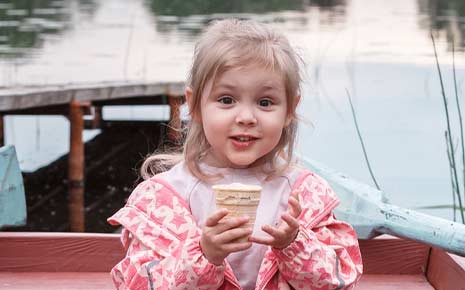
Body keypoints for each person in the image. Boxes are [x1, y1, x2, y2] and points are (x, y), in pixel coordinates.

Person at [108, 18, 363, 290]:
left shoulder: (303, 195)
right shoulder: (163, 200)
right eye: (226, 100)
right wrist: (204, 254)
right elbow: (138, 284)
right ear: (194, 105)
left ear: (289, 110)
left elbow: (339, 279)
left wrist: (295, 243)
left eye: (265, 102)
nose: (246, 117)